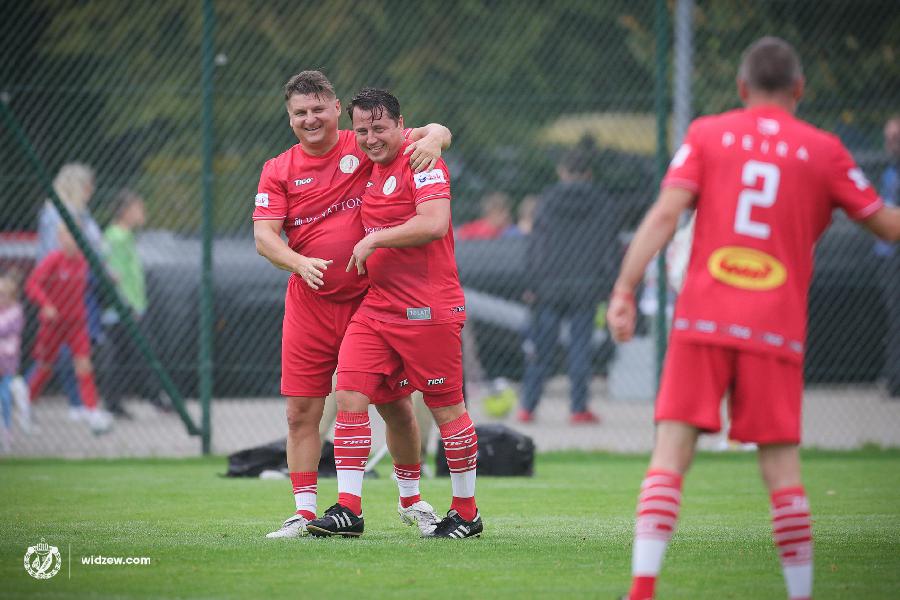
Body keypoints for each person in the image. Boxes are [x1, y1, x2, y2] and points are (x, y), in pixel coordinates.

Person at [606, 37, 900, 600]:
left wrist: (624, 288)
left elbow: (666, 214)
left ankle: (642, 590)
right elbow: (885, 224)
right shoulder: (824, 149)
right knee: (782, 474)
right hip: (774, 325)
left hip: (703, 319)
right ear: (799, 89)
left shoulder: (708, 134)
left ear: (741, 87)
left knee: (670, 457)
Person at [253, 71, 452, 539]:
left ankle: (411, 501)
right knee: (301, 413)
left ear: (336, 108)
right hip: (309, 304)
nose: (310, 119)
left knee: (396, 407)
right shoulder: (277, 168)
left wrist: (437, 138)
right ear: (289, 118)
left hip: (370, 302)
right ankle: (304, 512)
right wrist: (298, 262)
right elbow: (264, 237)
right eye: (300, 113)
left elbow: (429, 131)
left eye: (318, 109)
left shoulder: (364, 142)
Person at [306, 88, 481, 539]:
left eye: (380, 128)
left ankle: (466, 513)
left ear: (401, 125)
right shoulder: (369, 160)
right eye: (362, 130)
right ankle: (348, 509)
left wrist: (374, 239)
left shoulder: (421, 159)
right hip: (378, 307)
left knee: (447, 409)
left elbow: (434, 223)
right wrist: (438, 133)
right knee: (349, 391)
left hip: (429, 309)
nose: (370, 138)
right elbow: (435, 130)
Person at [518, 137, 625, 424]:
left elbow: (536, 245)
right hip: (587, 285)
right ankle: (578, 408)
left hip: (548, 284)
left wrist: (531, 283)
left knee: (541, 347)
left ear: (562, 172)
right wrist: (610, 284)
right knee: (580, 348)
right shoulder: (602, 202)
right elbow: (610, 247)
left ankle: (528, 407)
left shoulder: (547, 200)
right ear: (588, 173)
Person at [33, 163, 105, 421]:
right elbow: (56, 251)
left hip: (82, 280)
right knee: (64, 348)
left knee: (79, 345)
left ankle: (82, 403)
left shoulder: (81, 213)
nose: (91, 190)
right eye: (87, 185)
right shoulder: (56, 213)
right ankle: (76, 403)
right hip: (63, 283)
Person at [25, 224, 113, 434]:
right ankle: (25, 405)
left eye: (75, 236)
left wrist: (110, 275)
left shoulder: (84, 260)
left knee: (84, 364)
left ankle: (92, 411)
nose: (71, 241)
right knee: (45, 366)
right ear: (59, 238)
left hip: (76, 324)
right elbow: (32, 284)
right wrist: (46, 304)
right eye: (67, 236)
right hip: (53, 325)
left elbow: (100, 273)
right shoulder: (53, 260)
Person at [98, 189, 158, 417]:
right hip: (124, 309)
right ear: (125, 212)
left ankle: (116, 402)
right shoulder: (115, 237)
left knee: (123, 355)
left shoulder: (126, 236)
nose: (143, 213)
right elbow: (114, 275)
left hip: (134, 306)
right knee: (134, 353)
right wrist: (127, 305)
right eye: (138, 208)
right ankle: (151, 396)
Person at [877, 116, 899, 397]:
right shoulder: (889, 171)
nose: (891, 143)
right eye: (889, 138)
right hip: (887, 256)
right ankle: (894, 377)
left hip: (894, 253)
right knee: (893, 316)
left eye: (896, 138)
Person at [0, 273, 25, 451]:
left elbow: (4, 329)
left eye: (4, 295)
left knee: (4, 396)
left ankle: (6, 431)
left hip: (6, 362)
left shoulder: (15, 312)